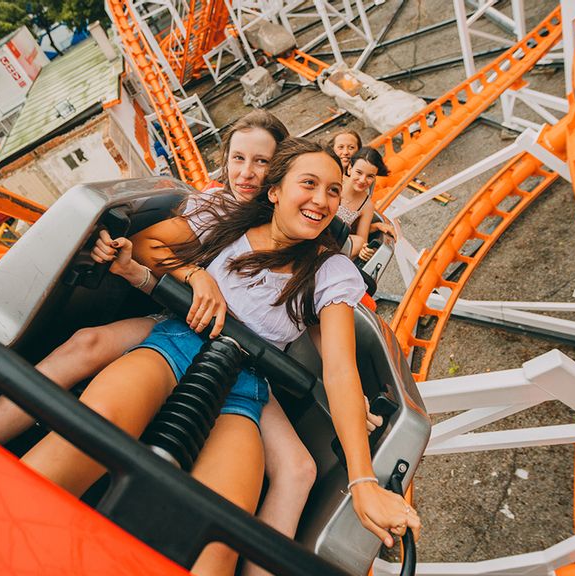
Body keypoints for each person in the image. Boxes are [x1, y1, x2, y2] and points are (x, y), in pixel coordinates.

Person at [21, 138, 420, 575]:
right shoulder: (230, 225)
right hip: (178, 340)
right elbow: (148, 246)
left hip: (246, 383)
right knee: (89, 435)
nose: (322, 200)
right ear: (275, 191)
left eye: (332, 190)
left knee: (218, 540)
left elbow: (341, 370)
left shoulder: (331, 271)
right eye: (309, 184)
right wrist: (195, 277)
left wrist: (363, 482)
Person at [0, 111, 326, 572]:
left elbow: (320, 313)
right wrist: (197, 276)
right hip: (183, 322)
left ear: (281, 171)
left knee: (297, 469)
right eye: (238, 158)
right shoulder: (216, 208)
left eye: (262, 161)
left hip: (248, 358)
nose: (247, 172)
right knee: (88, 344)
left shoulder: (299, 231)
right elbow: (148, 247)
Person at [337, 146, 387, 260]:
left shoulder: (367, 205)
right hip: (314, 227)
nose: (362, 180)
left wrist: (365, 250)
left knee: (358, 242)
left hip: (334, 242)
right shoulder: (336, 180)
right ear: (350, 169)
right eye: (359, 172)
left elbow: (361, 241)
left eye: (370, 176)